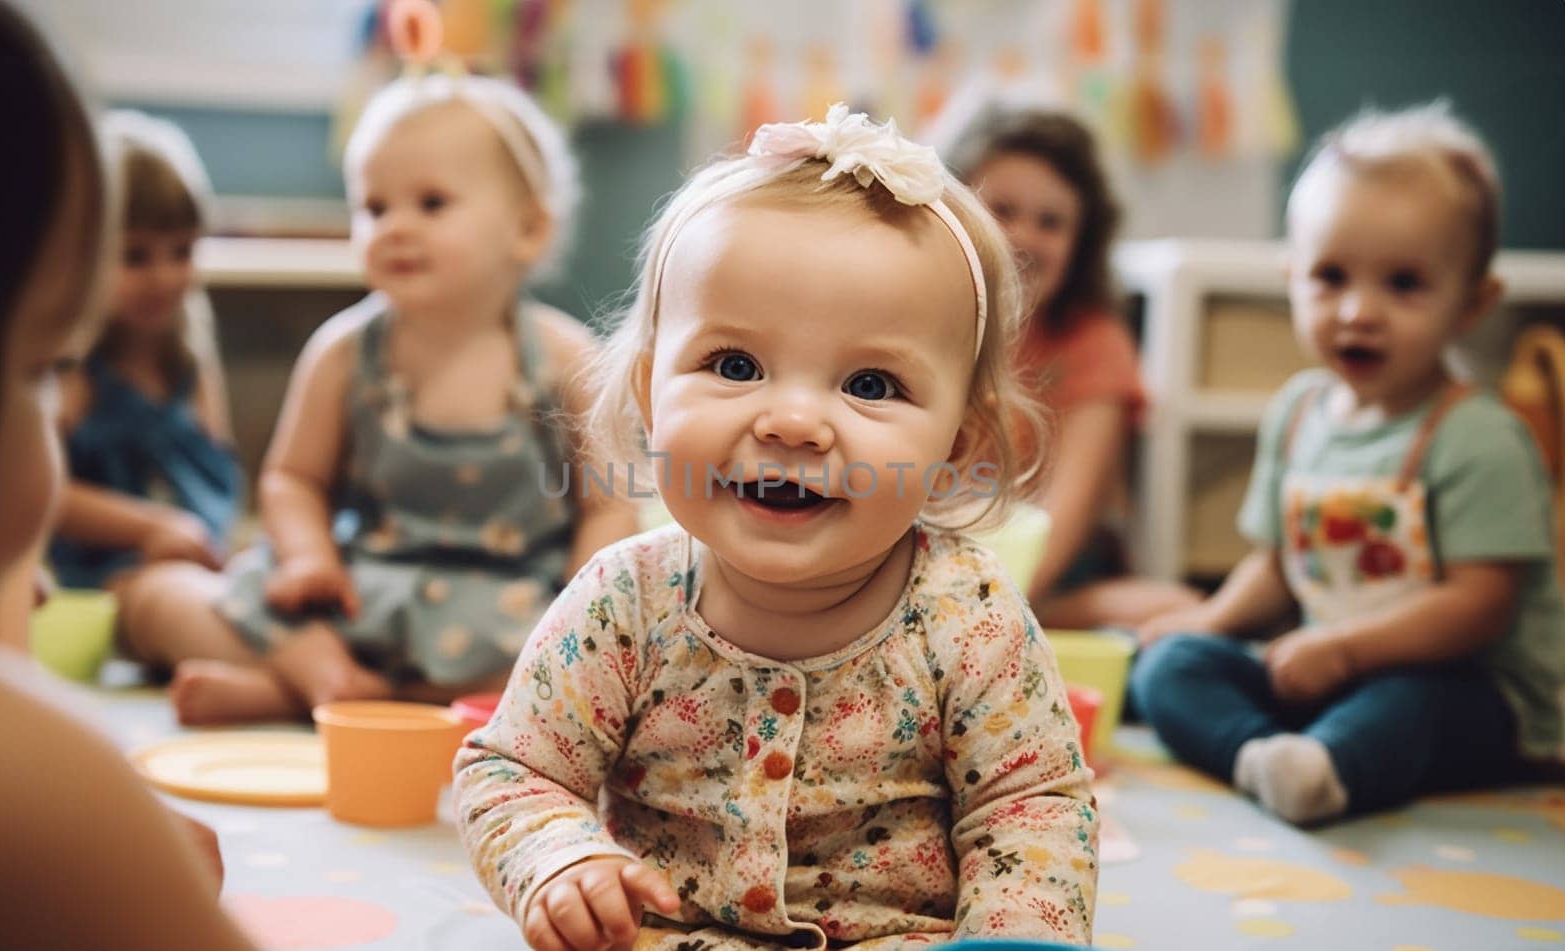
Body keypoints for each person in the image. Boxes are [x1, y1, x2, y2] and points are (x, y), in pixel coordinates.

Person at [455, 105, 1097, 950]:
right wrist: (561, 859)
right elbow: (514, 768)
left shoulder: (969, 613)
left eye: (870, 383)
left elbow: (1030, 806)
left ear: (958, 446)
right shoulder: (623, 600)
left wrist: (1014, 935)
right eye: (734, 366)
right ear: (651, 397)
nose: (794, 421)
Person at [117, 73, 638, 724]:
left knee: (609, 663)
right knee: (153, 597)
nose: (394, 227)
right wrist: (310, 556)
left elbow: (608, 501)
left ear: (527, 229)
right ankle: (328, 677)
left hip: (500, 613)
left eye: (430, 203)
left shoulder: (565, 359)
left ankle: (308, 694)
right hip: (358, 595)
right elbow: (291, 478)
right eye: (374, 207)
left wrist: (576, 610)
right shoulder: (343, 353)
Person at [1132, 103, 1565, 824]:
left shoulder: (1478, 436)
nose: (1358, 311)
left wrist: (1346, 648)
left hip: (1474, 691)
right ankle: (1267, 756)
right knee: (1170, 666)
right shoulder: (1300, 412)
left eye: (1403, 284)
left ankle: (1328, 760)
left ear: (1472, 303)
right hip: (1332, 672)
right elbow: (1277, 566)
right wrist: (1205, 621)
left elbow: (1481, 603)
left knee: (1410, 701)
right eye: (1331, 276)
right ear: (1292, 277)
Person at [0, 2, 253, 947]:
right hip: (133, 581)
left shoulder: (186, 358)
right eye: (41, 367)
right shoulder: (22, 783)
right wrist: (101, 836)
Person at [941, 107, 1202, 630]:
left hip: (1046, 575)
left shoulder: (1095, 342)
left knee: (1179, 612)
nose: (1024, 238)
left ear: (1081, 243)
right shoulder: (916, 324)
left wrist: (976, 612)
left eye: (1051, 222)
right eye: (1002, 210)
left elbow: (1064, 521)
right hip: (923, 563)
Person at [49, 109, 241, 592]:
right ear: (84, 253)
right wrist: (148, 526)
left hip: (197, 570)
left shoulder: (190, 363)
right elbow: (41, 495)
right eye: (135, 256)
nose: (165, 277)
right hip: (106, 579)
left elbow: (218, 480)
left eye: (183, 251)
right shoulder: (73, 371)